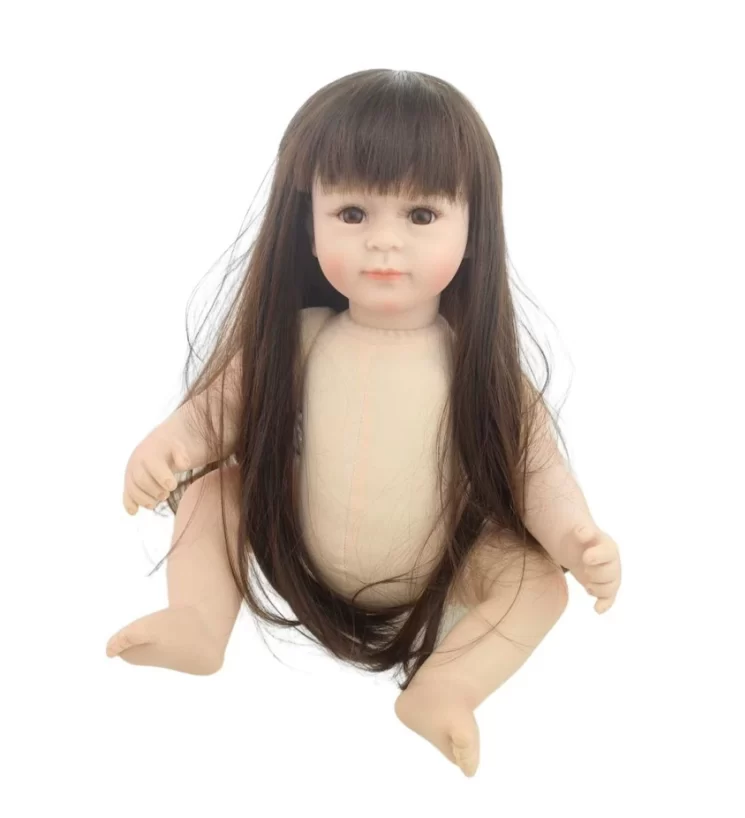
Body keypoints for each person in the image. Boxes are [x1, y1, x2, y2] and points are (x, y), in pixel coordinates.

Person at [106, 68, 622, 777]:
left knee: (537, 580)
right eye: (352, 213)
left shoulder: (479, 370)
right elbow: (215, 413)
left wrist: (576, 536)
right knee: (213, 491)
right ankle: (197, 621)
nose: (384, 242)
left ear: (474, 229)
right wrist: (166, 445)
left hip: (441, 572)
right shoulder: (298, 341)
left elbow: (538, 472)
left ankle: (446, 687)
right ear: (308, 222)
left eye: (420, 216)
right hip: (298, 550)